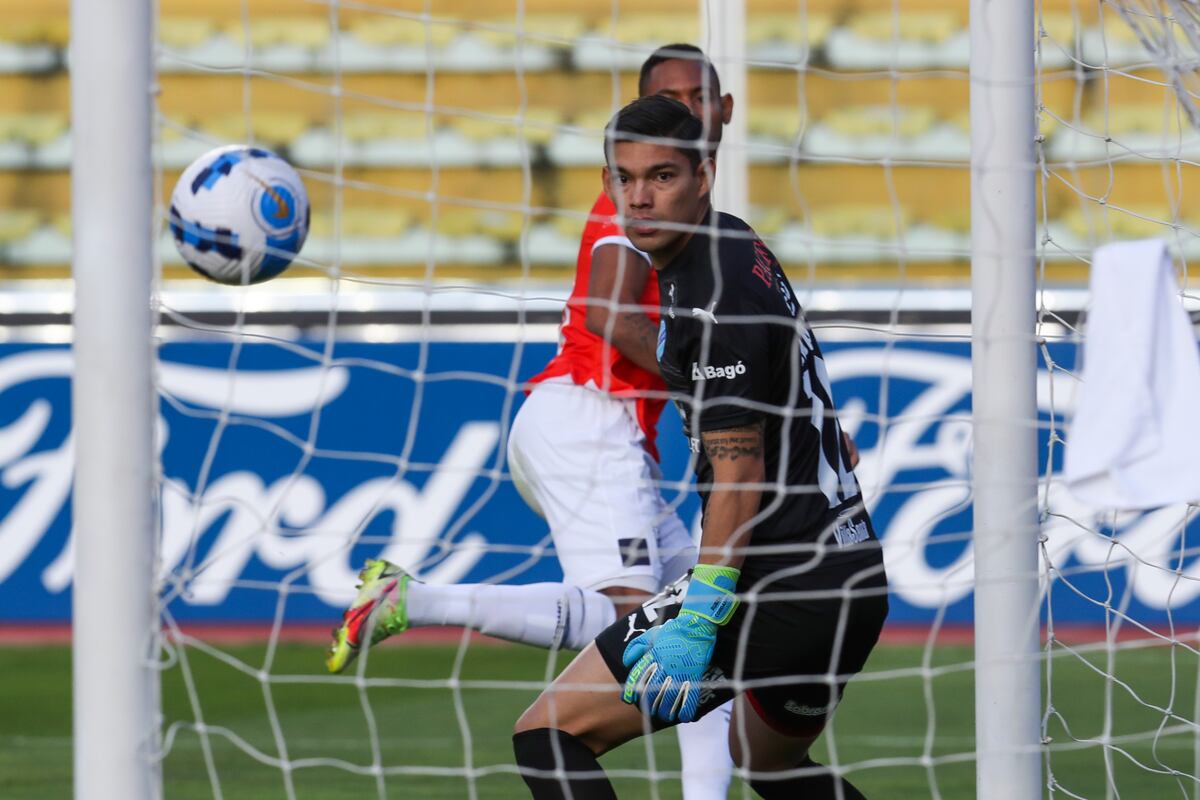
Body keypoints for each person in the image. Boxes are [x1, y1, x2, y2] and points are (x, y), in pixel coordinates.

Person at [326, 45, 743, 800]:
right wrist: (713, 385)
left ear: (727, 110)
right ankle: (415, 601)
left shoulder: (700, 219)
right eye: (669, 97)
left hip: (597, 426)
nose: (688, 110)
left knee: (712, 631)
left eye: (699, 96)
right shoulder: (632, 200)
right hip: (588, 415)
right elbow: (614, 316)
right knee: (629, 616)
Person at [509, 96, 889, 800]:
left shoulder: (710, 303)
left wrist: (702, 612)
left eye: (662, 177)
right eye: (624, 180)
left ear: (705, 175)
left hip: (775, 583)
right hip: (851, 577)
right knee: (765, 759)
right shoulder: (736, 245)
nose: (641, 199)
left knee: (548, 734)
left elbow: (739, 471)